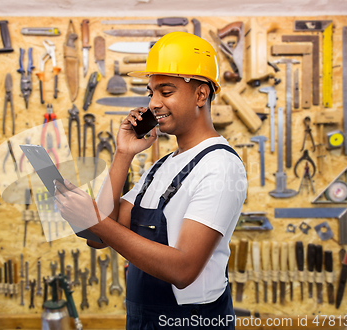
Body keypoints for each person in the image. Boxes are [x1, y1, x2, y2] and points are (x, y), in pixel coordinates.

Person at [54, 32, 247, 329]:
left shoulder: (220, 166)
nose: (153, 103)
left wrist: (95, 221)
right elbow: (97, 238)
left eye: (166, 92)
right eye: (151, 92)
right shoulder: (161, 167)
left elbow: (183, 270)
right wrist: (123, 153)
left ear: (201, 95)